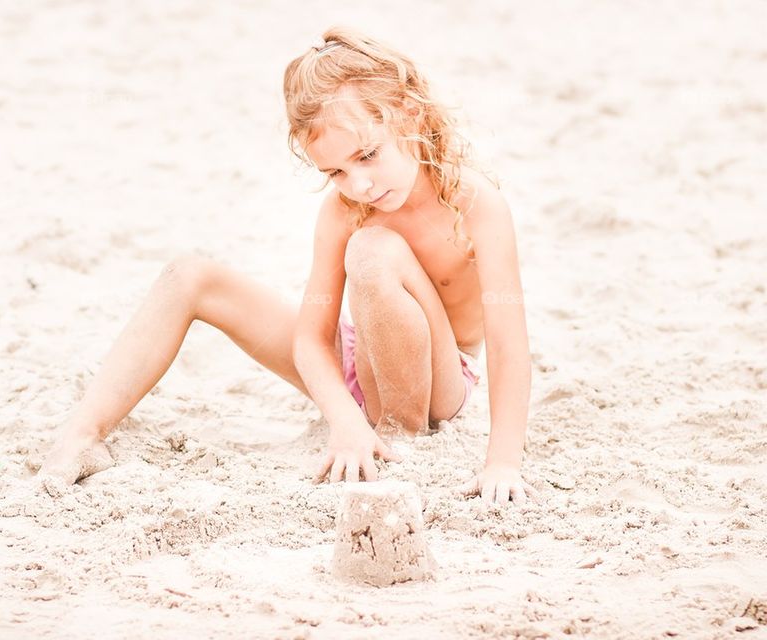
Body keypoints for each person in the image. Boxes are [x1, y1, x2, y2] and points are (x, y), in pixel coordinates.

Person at [38, 27, 539, 505]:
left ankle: (397, 434)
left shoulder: (474, 202)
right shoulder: (344, 209)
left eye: (367, 155)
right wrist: (343, 419)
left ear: (409, 114)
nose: (359, 185)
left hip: (436, 383)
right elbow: (311, 338)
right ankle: (81, 438)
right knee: (189, 276)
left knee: (373, 249)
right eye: (336, 171)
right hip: (359, 360)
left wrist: (502, 463)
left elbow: (507, 342)